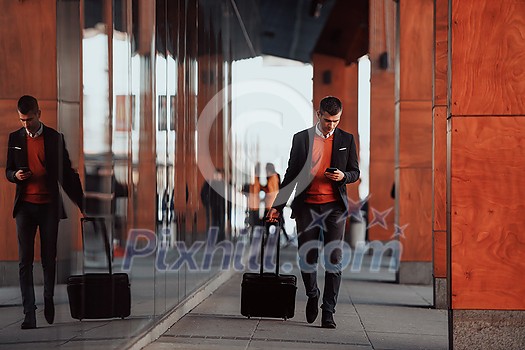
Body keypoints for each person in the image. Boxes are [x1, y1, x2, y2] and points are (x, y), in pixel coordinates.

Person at [266, 96, 359, 329]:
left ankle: (328, 311)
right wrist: (277, 207)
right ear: (319, 115)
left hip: (334, 208)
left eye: (336, 121)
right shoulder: (301, 139)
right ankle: (312, 293)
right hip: (307, 206)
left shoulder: (347, 139)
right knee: (307, 258)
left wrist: (343, 176)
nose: (331, 125)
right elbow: (290, 174)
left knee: (334, 260)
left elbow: (355, 171)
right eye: (328, 120)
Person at [5, 95, 84, 329]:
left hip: (48, 206)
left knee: (48, 258)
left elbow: (67, 174)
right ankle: (29, 312)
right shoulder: (14, 138)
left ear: (38, 113)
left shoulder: (54, 139)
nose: (25, 124)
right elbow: (8, 170)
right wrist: (14, 176)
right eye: (21, 120)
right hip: (25, 208)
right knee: (24, 261)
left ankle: (48, 298)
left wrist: (82, 204)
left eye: (29, 119)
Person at [261, 162, 292, 245]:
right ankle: (281, 239)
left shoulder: (273, 177)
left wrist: (263, 189)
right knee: (278, 223)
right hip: (274, 204)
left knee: (272, 223)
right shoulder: (274, 176)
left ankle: (269, 241)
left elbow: (272, 191)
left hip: (272, 205)